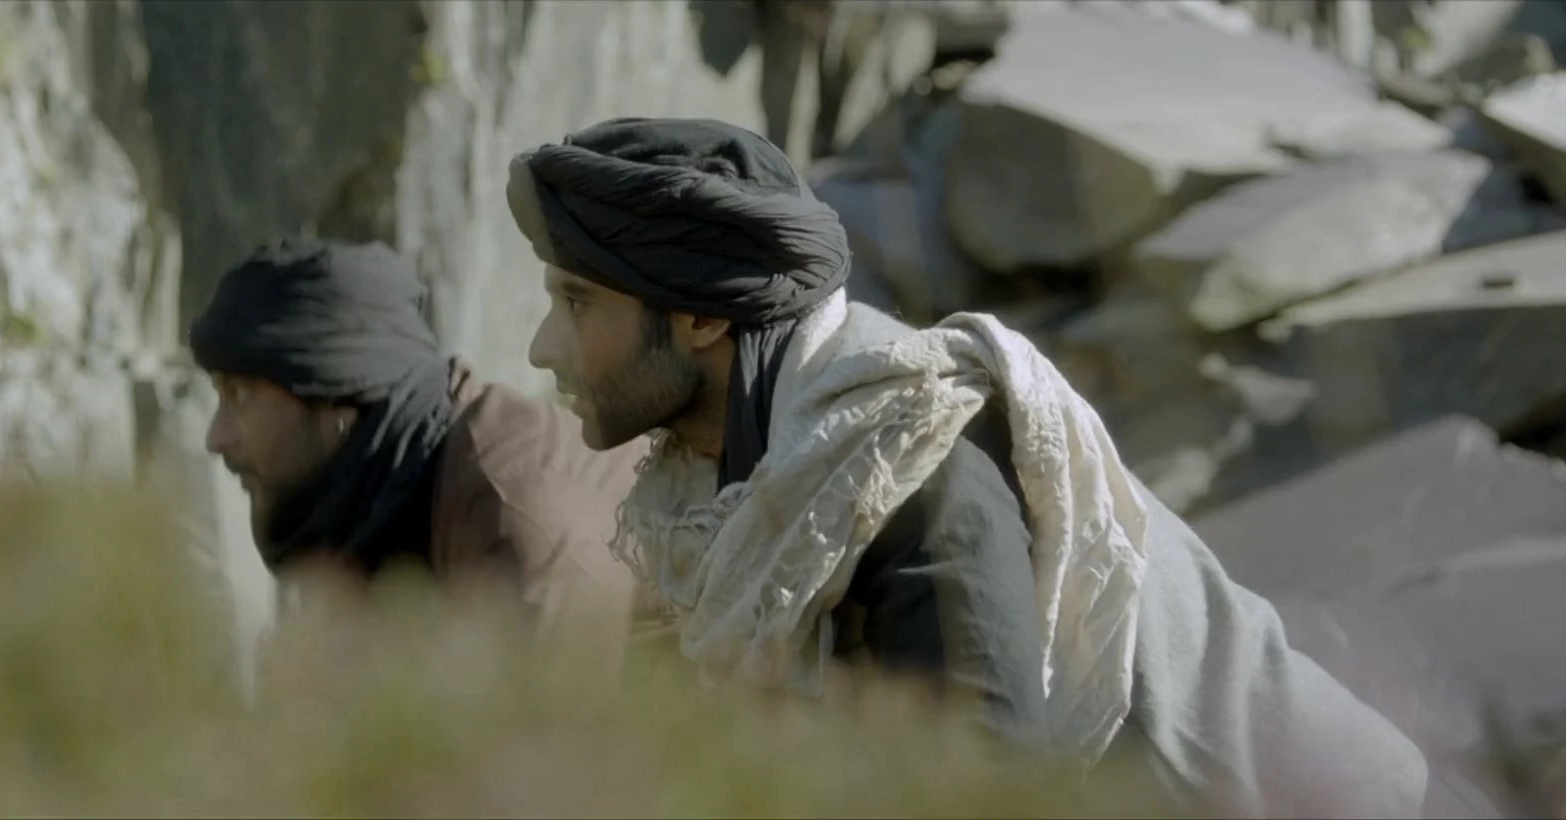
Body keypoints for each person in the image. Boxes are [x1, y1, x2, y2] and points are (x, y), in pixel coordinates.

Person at [504, 116, 1428, 817]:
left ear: (703, 317)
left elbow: (990, 791)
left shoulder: (905, 466)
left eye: (576, 303)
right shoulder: (701, 492)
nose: (544, 348)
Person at [187, 237, 646, 656]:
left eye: (239, 396)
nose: (216, 437)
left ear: (337, 403)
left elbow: (564, 718)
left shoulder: (516, 520)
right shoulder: (373, 504)